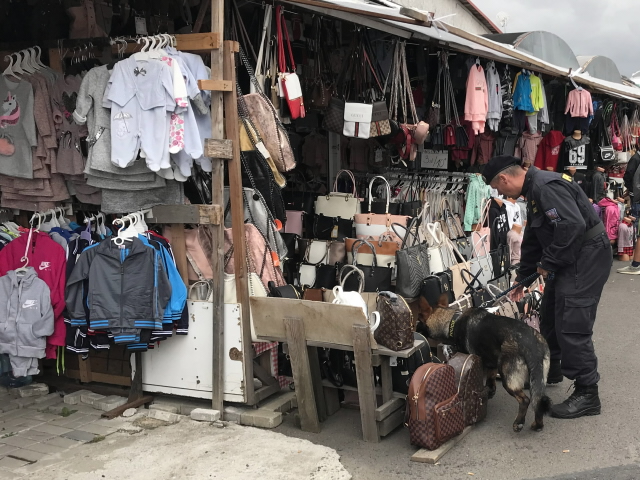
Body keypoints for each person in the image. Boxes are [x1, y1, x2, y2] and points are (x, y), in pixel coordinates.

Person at [482, 155, 611, 419]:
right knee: (550, 314)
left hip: (585, 255)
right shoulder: (534, 189)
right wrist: (524, 277)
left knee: (572, 323)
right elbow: (534, 237)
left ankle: (588, 393)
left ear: (504, 179)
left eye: (498, 188)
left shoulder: (544, 186)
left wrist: (549, 262)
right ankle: (550, 369)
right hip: (571, 256)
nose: (501, 193)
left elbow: (572, 226)